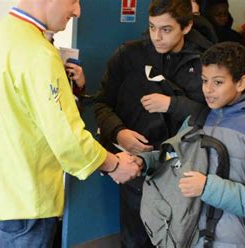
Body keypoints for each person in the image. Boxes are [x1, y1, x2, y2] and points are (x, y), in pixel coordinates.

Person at [0, 0, 142, 247]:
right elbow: (66, 138)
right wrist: (113, 164)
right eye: (74, 1)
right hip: (24, 197)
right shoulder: (38, 52)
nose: (77, 11)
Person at [93, 0, 212, 246]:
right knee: (135, 239)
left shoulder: (205, 62)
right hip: (136, 165)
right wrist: (118, 133)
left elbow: (213, 116)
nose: (157, 36)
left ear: (187, 26)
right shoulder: (128, 55)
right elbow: (101, 104)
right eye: (151, 27)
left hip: (184, 168)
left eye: (166, 29)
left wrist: (172, 104)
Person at [142, 42, 245, 247]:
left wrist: (207, 186)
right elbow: (177, 157)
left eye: (218, 82)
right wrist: (145, 161)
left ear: (241, 82)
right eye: (204, 80)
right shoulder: (199, 118)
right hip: (193, 237)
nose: (208, 90)